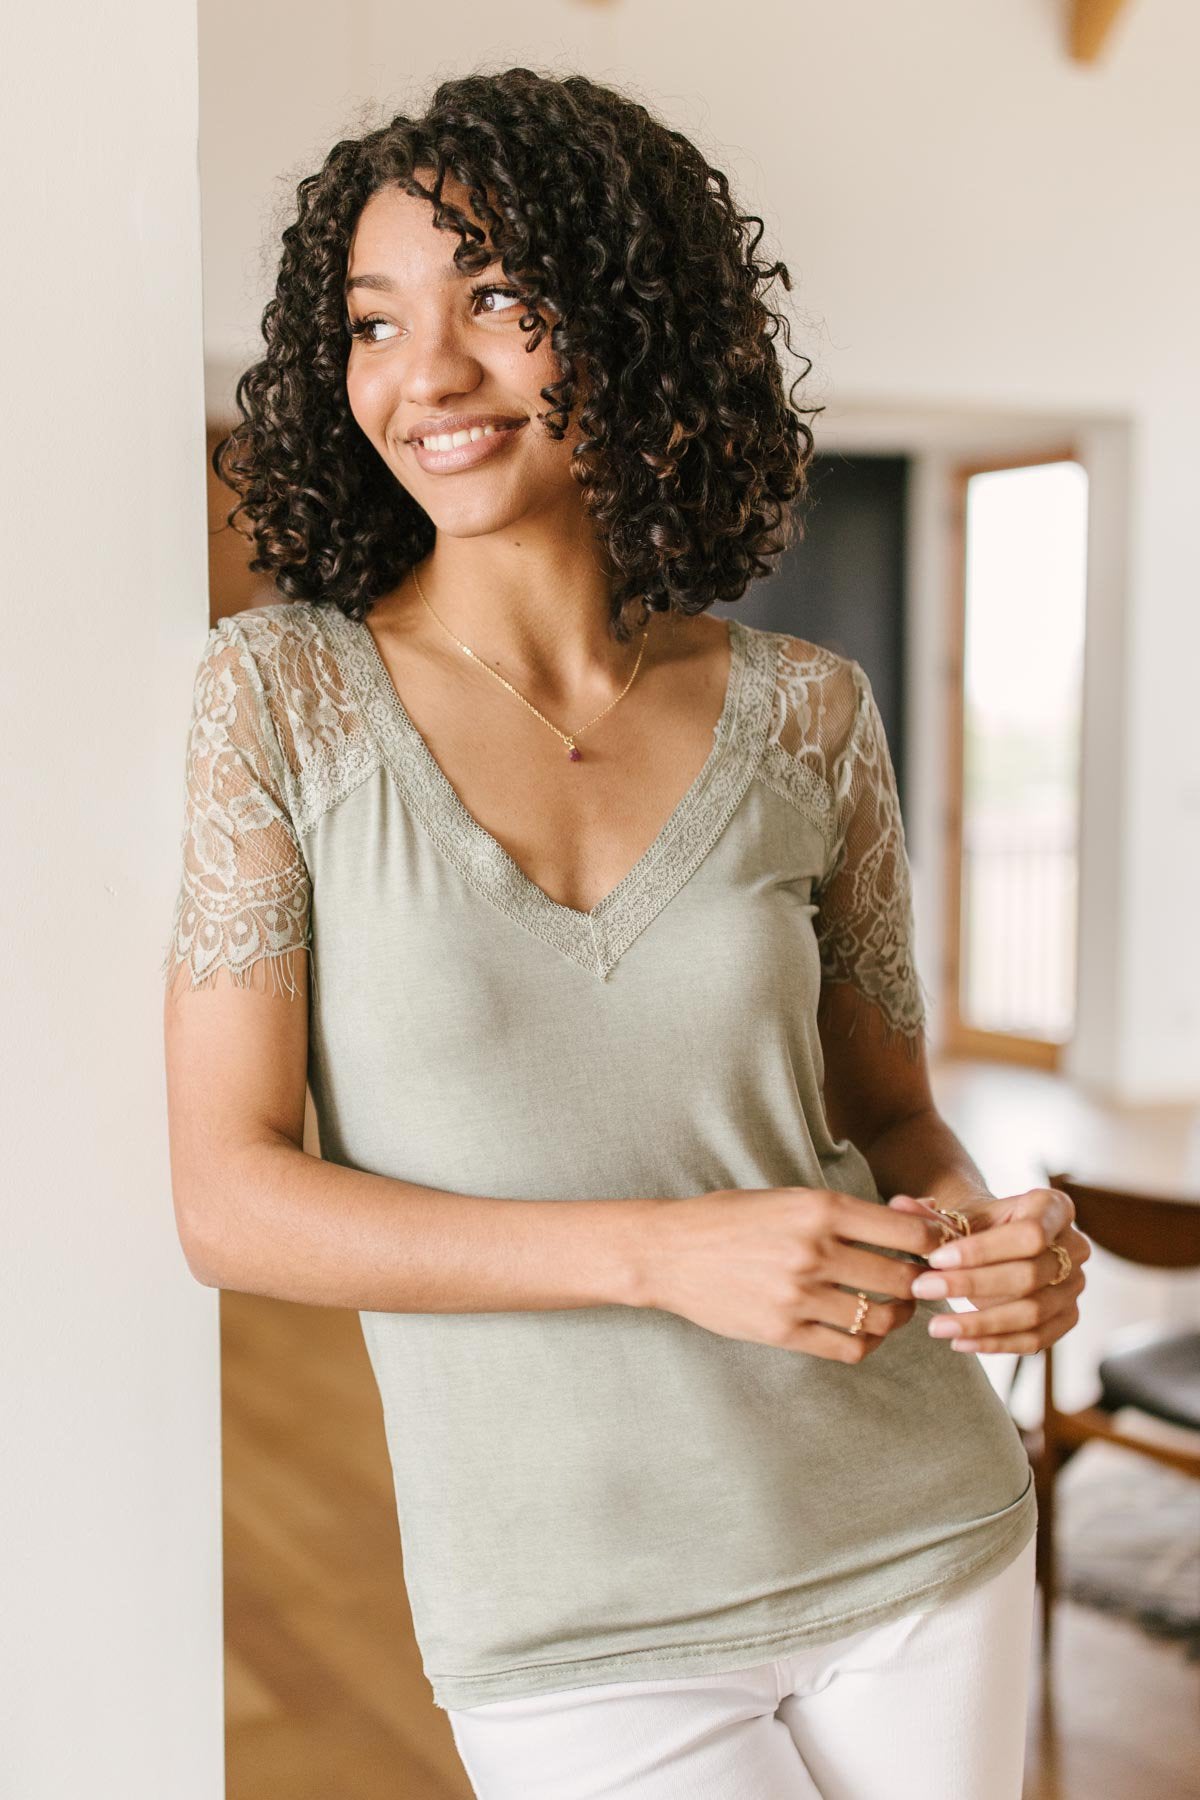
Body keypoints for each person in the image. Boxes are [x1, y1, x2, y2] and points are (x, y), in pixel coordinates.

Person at [161, 66, 1091, 1800]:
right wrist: (663, 1254)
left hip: (920, 1539)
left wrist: (979, 1241)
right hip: (566, 1615)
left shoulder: (812, 714)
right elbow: (229, 1197)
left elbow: (892, 1120)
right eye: (374, 323)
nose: (425, 374)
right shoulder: (278, 701)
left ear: (634, 325)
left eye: (497, 299)